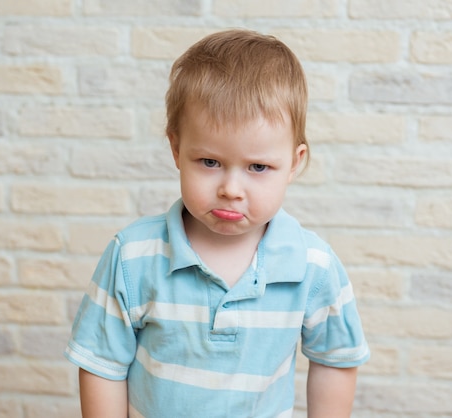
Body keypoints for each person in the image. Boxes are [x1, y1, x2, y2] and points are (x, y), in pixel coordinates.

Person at [65, 29, 369, 418]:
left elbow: (335, 360)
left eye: (258, 167)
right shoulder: (133, 257)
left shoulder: (313, 267)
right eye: (210, 162)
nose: (230, 189)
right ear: (177, 149)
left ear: (294, 163)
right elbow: (102, 364)